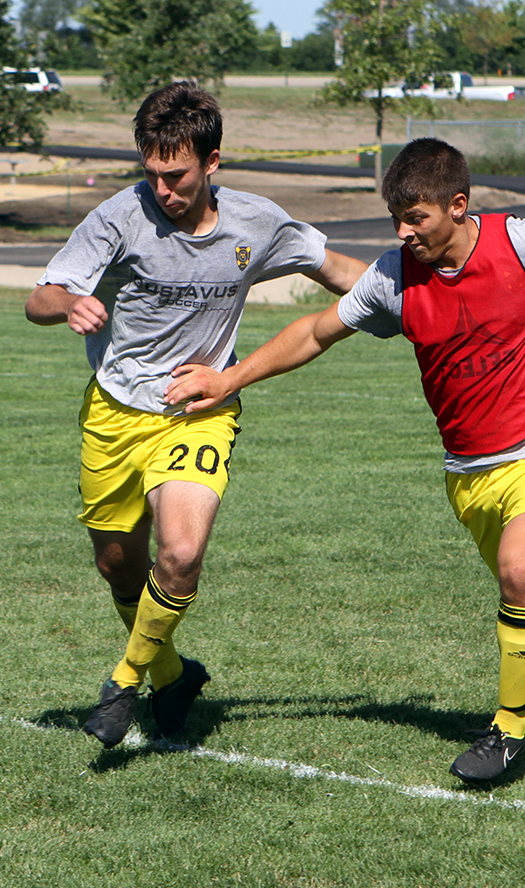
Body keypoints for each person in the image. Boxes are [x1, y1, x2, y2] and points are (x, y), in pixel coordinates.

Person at [164, 138, 525, 782]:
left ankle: (508, 732)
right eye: (396, 219)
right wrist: (230, 379)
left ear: (458, 206)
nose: (403, 233)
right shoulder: (396, 275)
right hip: (472, 473)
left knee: (520, 571)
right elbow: (318, 331)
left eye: (417, 219)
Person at [25, 82, 367, 748]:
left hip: (200, 409)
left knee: (179, 557)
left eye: (175, 175)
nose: (162, 189)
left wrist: (425, 291)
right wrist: (68, 305)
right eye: (150, 173)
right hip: (115, 411)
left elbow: (339, 270)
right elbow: (41, 296)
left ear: (212, 163)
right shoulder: (118, 217)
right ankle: (175, 675)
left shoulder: (256, 223)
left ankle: (124, 685)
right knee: (120, 567)